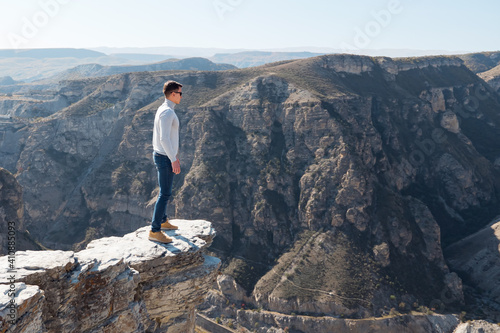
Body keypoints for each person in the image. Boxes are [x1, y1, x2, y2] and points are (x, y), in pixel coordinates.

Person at [148, 80, 183, 243]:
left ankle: (163, 221)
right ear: (173, 94)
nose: (182, 97)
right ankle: (155, 230)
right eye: (180, 93)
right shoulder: (167, 112)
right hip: (164, 158)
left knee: (164, 191)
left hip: (163, 156)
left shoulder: (164, 109)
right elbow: (164, 138)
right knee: (165, 193)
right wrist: (173, 159)